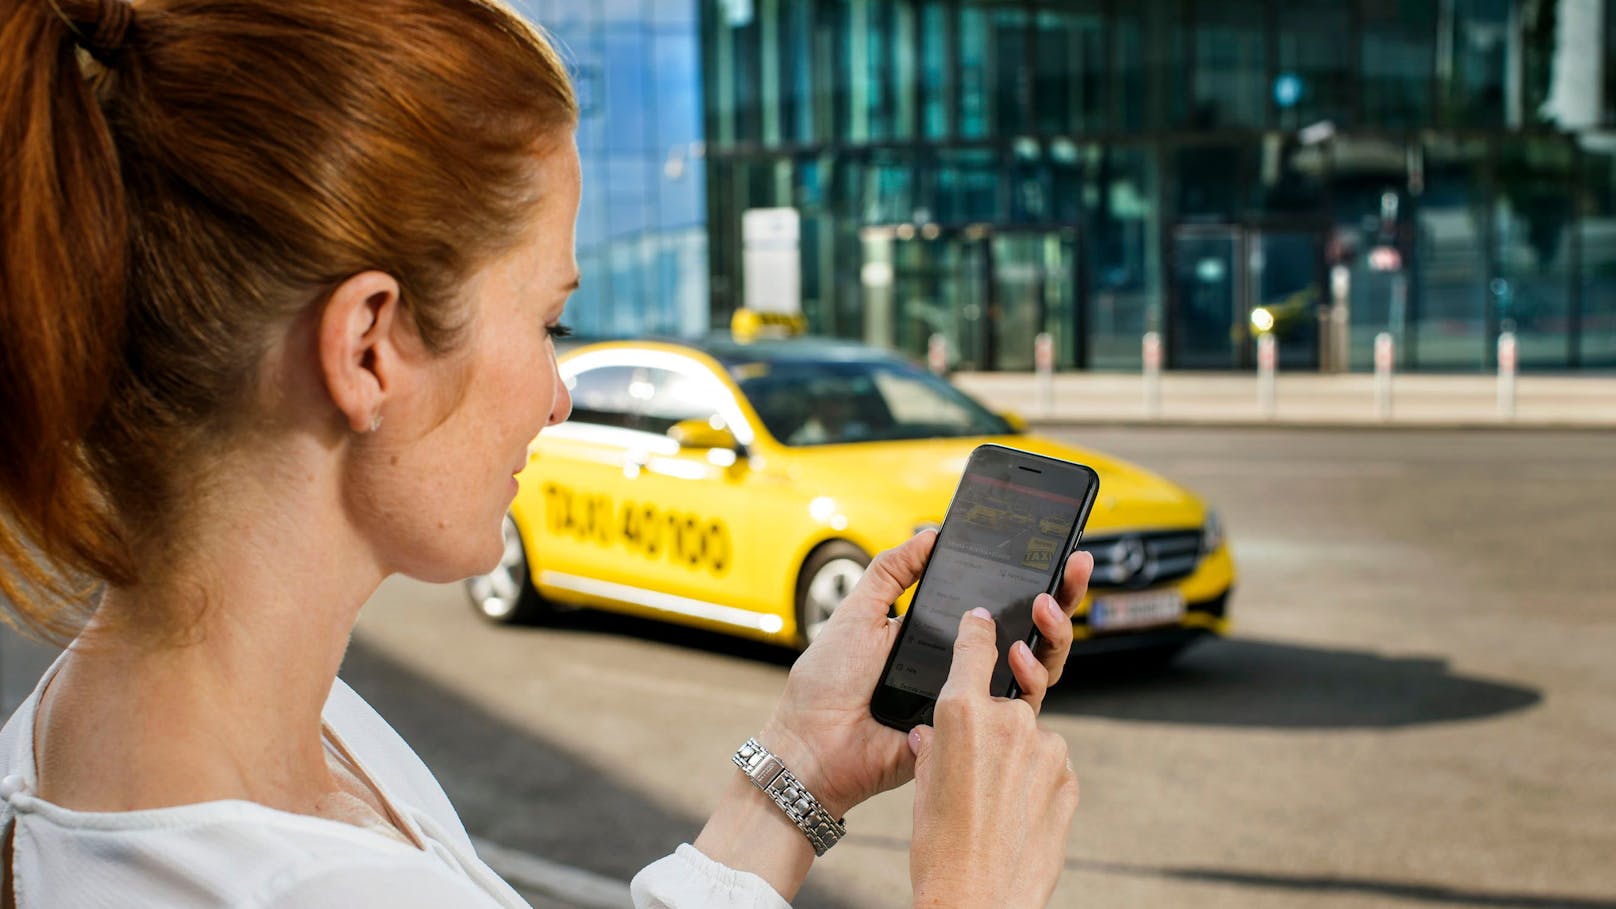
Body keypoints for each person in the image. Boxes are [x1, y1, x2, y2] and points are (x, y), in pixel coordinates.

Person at [0, 0, 1095, 906]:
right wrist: (972, 890)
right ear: (370, 348)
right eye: (549, 323)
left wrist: (797, 770)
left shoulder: (129, 728)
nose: (558, 395)